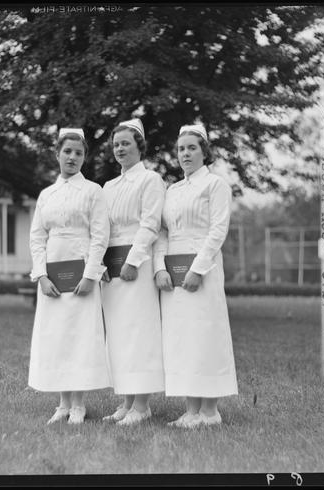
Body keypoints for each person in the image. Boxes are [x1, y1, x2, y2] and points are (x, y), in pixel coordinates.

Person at [154, 123, 238, 429]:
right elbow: (162, 232)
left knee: (205, 336)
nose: (185, 153)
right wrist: (160, 267)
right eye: (181, 149)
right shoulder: (172, 190)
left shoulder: (216, 185)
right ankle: (191, 409)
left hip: (203, 270)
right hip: (174, 273)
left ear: (205, 152)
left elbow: (218, 230)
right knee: (181, 339)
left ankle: (210, 411)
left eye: (192, 147)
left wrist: (198, 269)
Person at [28, 128, 111, 425]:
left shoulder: (92, 191)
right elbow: (37, 237)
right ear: (57, 154)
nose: (72, 157)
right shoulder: (46, 195)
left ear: (84, 157)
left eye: (78, 153)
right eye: (67, 151)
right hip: (52, 277)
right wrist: (41, 275)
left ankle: (79, 404)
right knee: (57, 339)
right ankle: (62, 403)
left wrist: (91, 275)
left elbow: (100, 236)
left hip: (81, 275)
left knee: (79, 337)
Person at [101, 118, 165, 426]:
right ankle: (125, 402)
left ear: (139, 146)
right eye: (116, 144)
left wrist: (134, 260)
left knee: (138, 332)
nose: (120, 148)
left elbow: (151, 223)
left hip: (136, 266)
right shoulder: (108, 187)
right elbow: (103, 229)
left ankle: (142, 405)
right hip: (111, 266)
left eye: (126, 143)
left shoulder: (150, 180)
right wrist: (101, 263)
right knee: (118, 334)